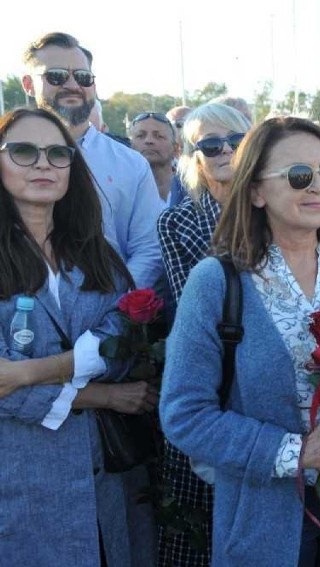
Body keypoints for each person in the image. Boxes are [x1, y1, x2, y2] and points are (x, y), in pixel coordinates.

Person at [160, 117, 320, 566]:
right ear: (257, 191)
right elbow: (184, 414)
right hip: (268, 516)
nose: (319, 187)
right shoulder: (217, 283)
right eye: (299, 175)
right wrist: (294, 452)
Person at [0, 107, 159, 566]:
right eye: (24, 151)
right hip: (22, 476)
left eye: (57, 153)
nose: (43, 163)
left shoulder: (96, 251)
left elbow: (122, 341)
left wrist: (31, 370)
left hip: (105, 478)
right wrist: (104, 396)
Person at [155, 102, 251, 567]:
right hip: (211, 383)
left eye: (235, 141)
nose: (224, 151)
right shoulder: (179, 221)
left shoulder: (275, 206)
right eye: (210, 145)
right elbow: (199, 309)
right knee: (200, 530)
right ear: (194, 155)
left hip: (271, 387)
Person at [21, 32, 163, 290]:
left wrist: (117, 309)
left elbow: (149, 248)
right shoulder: (7, 157)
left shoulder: (131, 164)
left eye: (83, 77)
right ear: (28, 85)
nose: (72, 85)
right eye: (56, 76)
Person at [129, 112, 180, 205]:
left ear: (175, 148)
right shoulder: (121, 191)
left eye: (159, 136)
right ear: (130, 146)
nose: (149, 140)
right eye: (140, 136)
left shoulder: (191, 191)